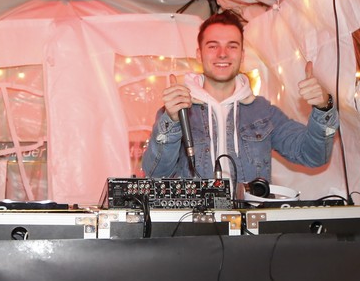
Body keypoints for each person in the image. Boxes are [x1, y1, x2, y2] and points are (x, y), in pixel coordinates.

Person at [140, 10, 337, 183]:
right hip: (196, 215)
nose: (222, 54)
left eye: (232, 46)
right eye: (213, 46)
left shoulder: (263, 112)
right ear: (199, 55)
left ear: (242, 55)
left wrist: (324, 107)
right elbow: (155, 174)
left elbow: (313, 156)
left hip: (249, 215)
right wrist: (172, 121)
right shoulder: (177, 110)